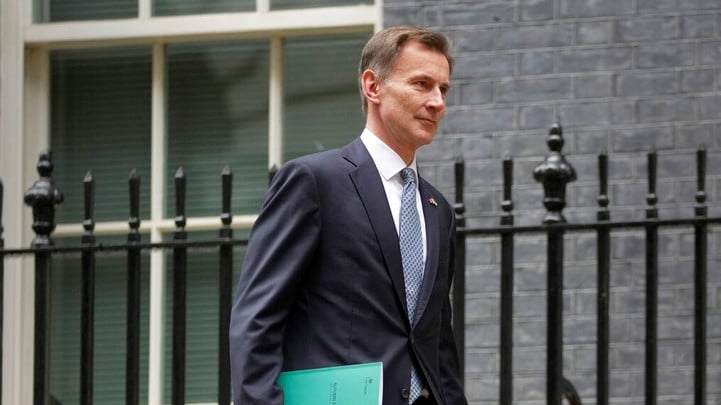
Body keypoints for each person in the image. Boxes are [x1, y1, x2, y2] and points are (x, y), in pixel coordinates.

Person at [229, 25, 468, 405]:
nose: (437, 101)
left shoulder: (438, 210)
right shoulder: (313, 181)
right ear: (373, 87)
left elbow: (438, 343)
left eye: (443, 89)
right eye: (422, 84)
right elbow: (257, 319)